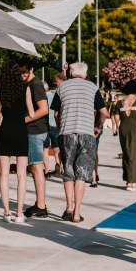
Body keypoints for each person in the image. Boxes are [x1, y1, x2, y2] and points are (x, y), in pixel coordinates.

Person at [51, 62, 109, 222]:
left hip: (67, 133)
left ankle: (68, 208)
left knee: (68, 172)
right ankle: (77, 213)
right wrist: (97, 127)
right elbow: (104, 113)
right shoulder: (92, 87)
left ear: (70, 73)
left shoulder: (62, 87)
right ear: (85, 74)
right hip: (86, 134)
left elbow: (56, 114)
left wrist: (60, 129)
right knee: (81, 174)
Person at [0, 61, 31, 223]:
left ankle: (6, 213)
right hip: (21, 131)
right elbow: (31, 112)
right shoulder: (25, 89)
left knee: (4, 174)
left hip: (6, 132)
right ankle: (19, 213)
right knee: (21, 175)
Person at [17, 61, 50, 218]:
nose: (22, 75)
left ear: (31, 69)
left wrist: (22, 120)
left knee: (36, 168)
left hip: (35, 132)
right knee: (34, 167)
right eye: (19, 72)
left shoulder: (35, 85)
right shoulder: (30, 84)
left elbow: (43, 109)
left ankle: (41, 206)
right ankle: (40, 204)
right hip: (34, 131)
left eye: (24, 72)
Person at [111, 79, 136, 191]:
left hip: (123, 129)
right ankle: (131, 181)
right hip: (135, 130)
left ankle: (128, 179)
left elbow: (117, 118)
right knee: (135, 155)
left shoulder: (120, 102)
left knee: (126, 154)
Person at [46, 74, 64, 177]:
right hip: (56, 126)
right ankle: (59, 167)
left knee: (45, 150)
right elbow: (57, 113)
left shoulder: (45, 97)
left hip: (46, 126)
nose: (54, 83)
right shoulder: (56, 96)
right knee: (57, 149)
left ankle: (47, 171)